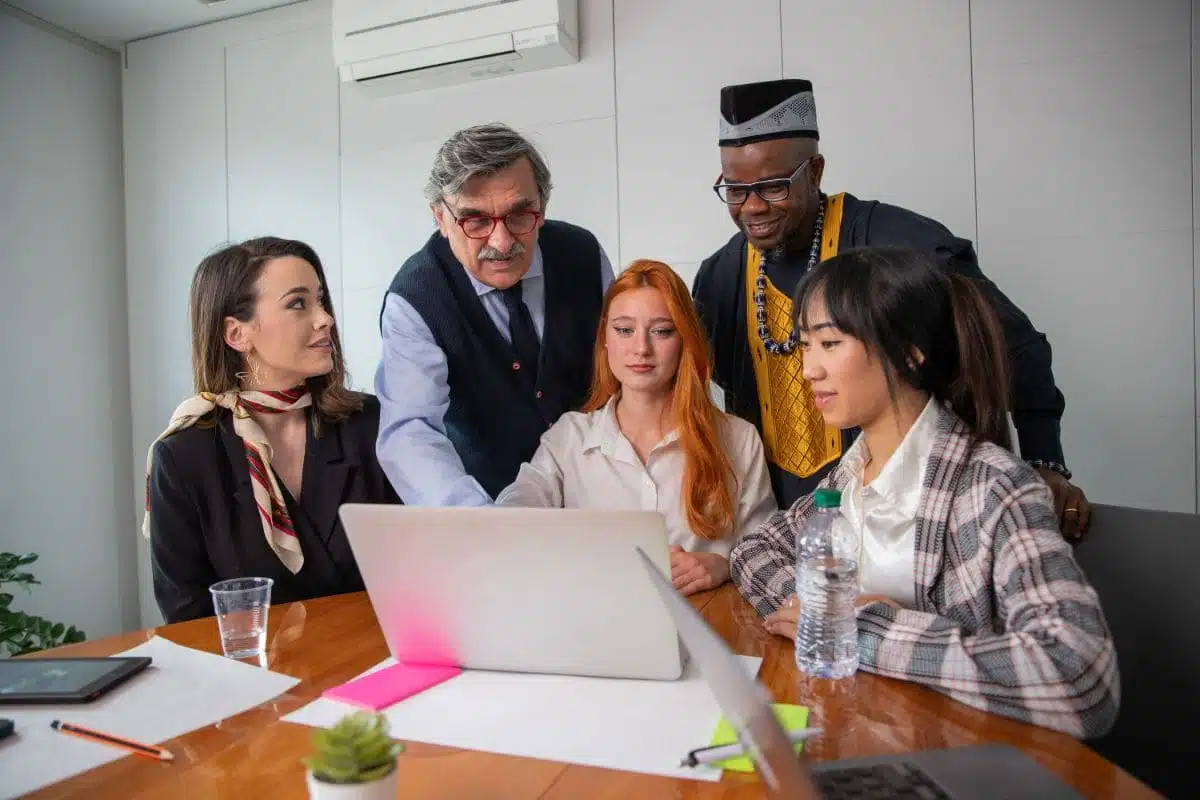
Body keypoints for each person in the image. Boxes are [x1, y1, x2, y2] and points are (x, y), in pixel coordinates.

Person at [729, 247, 1118, 739]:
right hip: (864, 731)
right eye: (805, 346)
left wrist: (863, 629)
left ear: (909, 351)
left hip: (965, 757)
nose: (809, 370)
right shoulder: (848, 477)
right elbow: (754, 550)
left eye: (829, 343)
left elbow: (1078, 672)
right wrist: (822, 612)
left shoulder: (996, 488)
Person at [693, 78, 1090, 538]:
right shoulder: (719, 277)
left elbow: (1015, 346)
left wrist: (1045, 462)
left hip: (915, 522)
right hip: (786, 530)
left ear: (815, 172)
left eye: (774, 186)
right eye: (736, 190)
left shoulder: (900, 246)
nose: (752, 206)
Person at [144, 237, 400, 623]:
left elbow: (420, 573)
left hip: (378, 667)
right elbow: (187, 621)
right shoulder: (182, 458)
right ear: (237, 334)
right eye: (298, 303)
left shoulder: (372, 422)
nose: (325, 318)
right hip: (254, 679)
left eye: (321, 300)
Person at [496, 260, 775, 595]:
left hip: (708, 631)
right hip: (595, 632)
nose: (641, 348)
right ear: (604, 340)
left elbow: (768, 551)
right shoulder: (568, 439)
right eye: (624, 330)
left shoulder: (740, 440)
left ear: (685, 339)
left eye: (661, 331)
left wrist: (722, 564)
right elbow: (518, 506)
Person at [377, 123, 615, 506]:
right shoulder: (416, 298)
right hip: (486, 505)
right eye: (475, 221)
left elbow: (621, 370)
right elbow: (412, 431)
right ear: (440, 218)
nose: (501, 243)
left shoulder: (582, 254)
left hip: (601, 494)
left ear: (543, 205)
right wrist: (478, 522)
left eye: (520, 216)